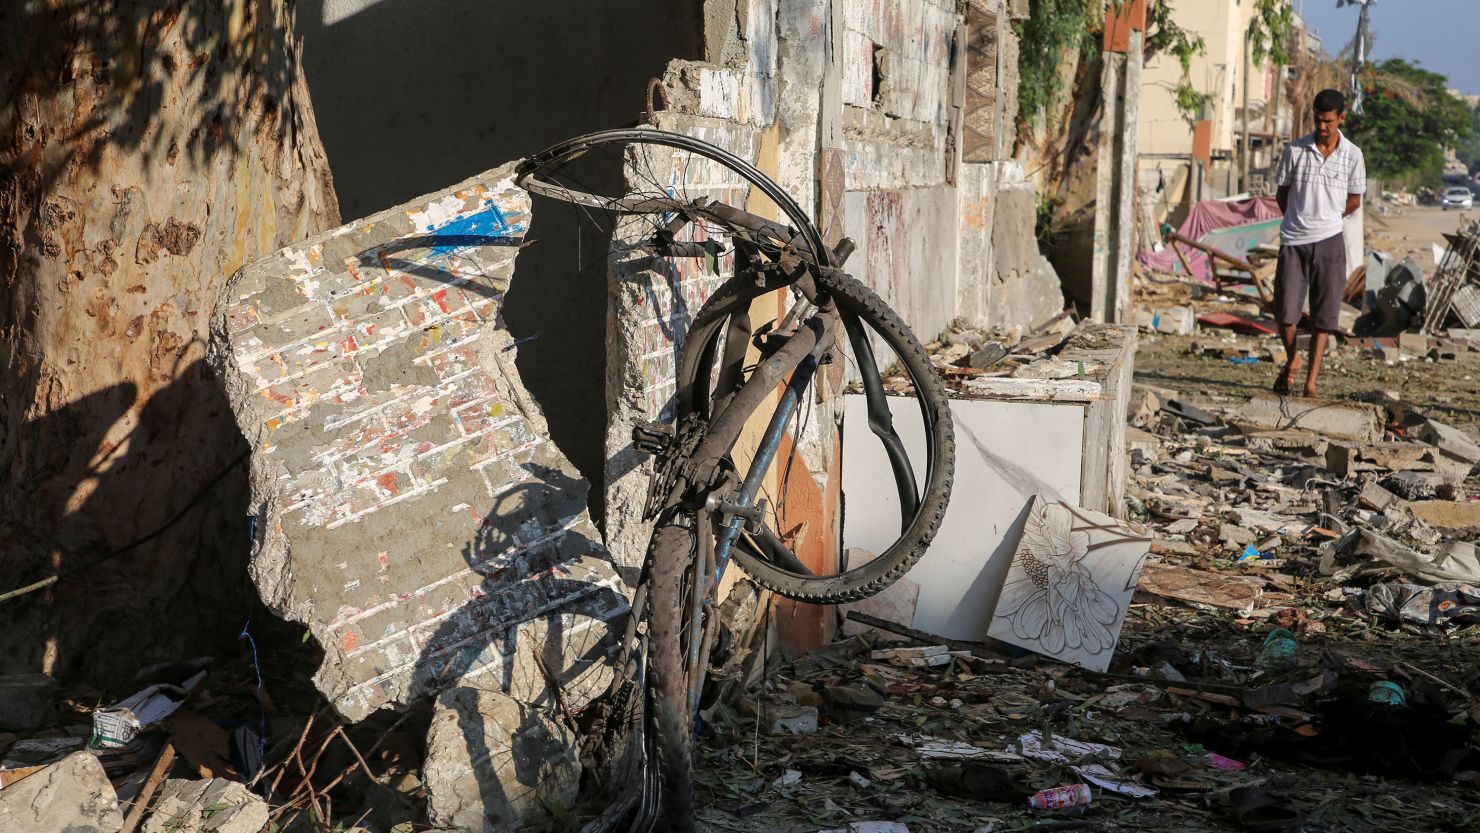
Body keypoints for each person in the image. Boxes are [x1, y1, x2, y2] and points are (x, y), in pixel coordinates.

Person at [1271, 88, 1366, 397]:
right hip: (1294, 241)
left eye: (1328, 121)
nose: (1322, 127)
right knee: (1286, 312)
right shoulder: (1295, 150)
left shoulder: (1353, 155)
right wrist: (1297, 219)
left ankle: (1310, 383)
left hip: (1330, 242)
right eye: (1317, 120)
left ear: (1341, 118)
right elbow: (1282, 195)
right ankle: (1293, 358)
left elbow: (1354, 200)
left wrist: (1330, 215)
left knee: (1323, 318)